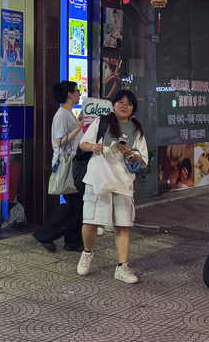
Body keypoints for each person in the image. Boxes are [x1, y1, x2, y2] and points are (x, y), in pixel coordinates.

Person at [76, 89, 148, 284]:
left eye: (129, 103)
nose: (125, 106)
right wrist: (93, 147)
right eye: (121, 102)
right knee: (91, 222)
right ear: (114, 104)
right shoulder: (102, 122)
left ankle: (122, 267)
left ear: (133, 108)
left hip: (123, 182)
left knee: (123, 225)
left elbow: (141, 159)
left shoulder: (136, 129)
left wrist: (129, 154)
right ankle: (87, 252)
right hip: (98, 179)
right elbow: (83, 144)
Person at [34, 81, 84, 252]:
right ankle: (46, 234)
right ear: (69, 94)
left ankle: (72, 240)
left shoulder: (68, 114)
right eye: (77, 91)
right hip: (66, 164)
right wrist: (77, 129)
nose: (79, 94)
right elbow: (60, 141)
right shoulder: (62, 115)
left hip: (73, 163)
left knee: (75, 204)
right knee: (73, 204)